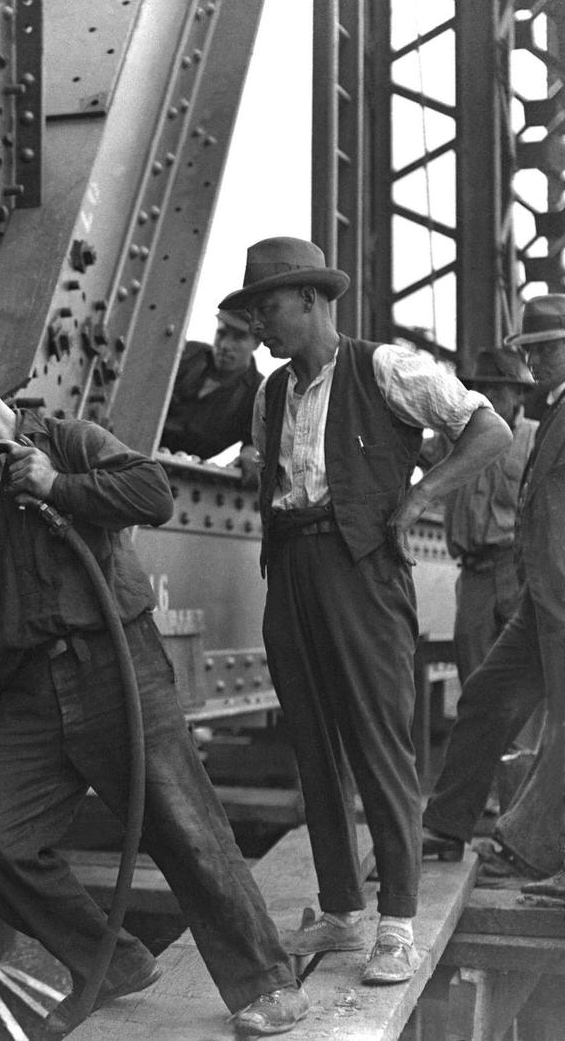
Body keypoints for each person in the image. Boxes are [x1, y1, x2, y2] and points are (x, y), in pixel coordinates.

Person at [0, 326, 308, 1036]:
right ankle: (114, 962)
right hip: (29, 692)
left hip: (116, 667)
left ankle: (266, 983)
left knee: (189, 832)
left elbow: (154, 492)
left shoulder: (69, 440)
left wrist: (53, 484)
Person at [220, 237, 510, 985]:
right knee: (313, 746)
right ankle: (344, 914)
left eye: (269, 309)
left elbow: (488, 430)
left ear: (314, 300)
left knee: (381, 745)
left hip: (363, 572)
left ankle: (398, 926)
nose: (260, 326)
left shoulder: (385, 367)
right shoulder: (270, 393)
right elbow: (274, 475)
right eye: (252, 313)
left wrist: (418, 497)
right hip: (290, 570)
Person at [422, 295, 565, 896]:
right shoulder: (552, 410)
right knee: (484, 696)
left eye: (547, 350)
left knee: (562, 724)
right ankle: (447, 826)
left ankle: (538, 855)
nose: (536, 364)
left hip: (560, 592)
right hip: (541, 594)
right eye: (530, 353)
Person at [429, 349, 540, 687]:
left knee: (523, 674)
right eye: (481, 390)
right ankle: (490, 742)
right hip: (473, 576)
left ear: (519, 393)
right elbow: (408, 457)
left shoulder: (536, 439)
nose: (487, 397)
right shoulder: (453, 438)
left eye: (498, 390)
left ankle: (521, 744)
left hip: (515, 571)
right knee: (475, 678)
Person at [161, 309, 264, 483]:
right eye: (221, 334)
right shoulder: (186, 354)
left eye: (239, 337)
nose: (225, 345)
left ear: (256, 343)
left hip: (185, 477)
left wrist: (251, 454)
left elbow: (256, 443)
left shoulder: (259, 393)